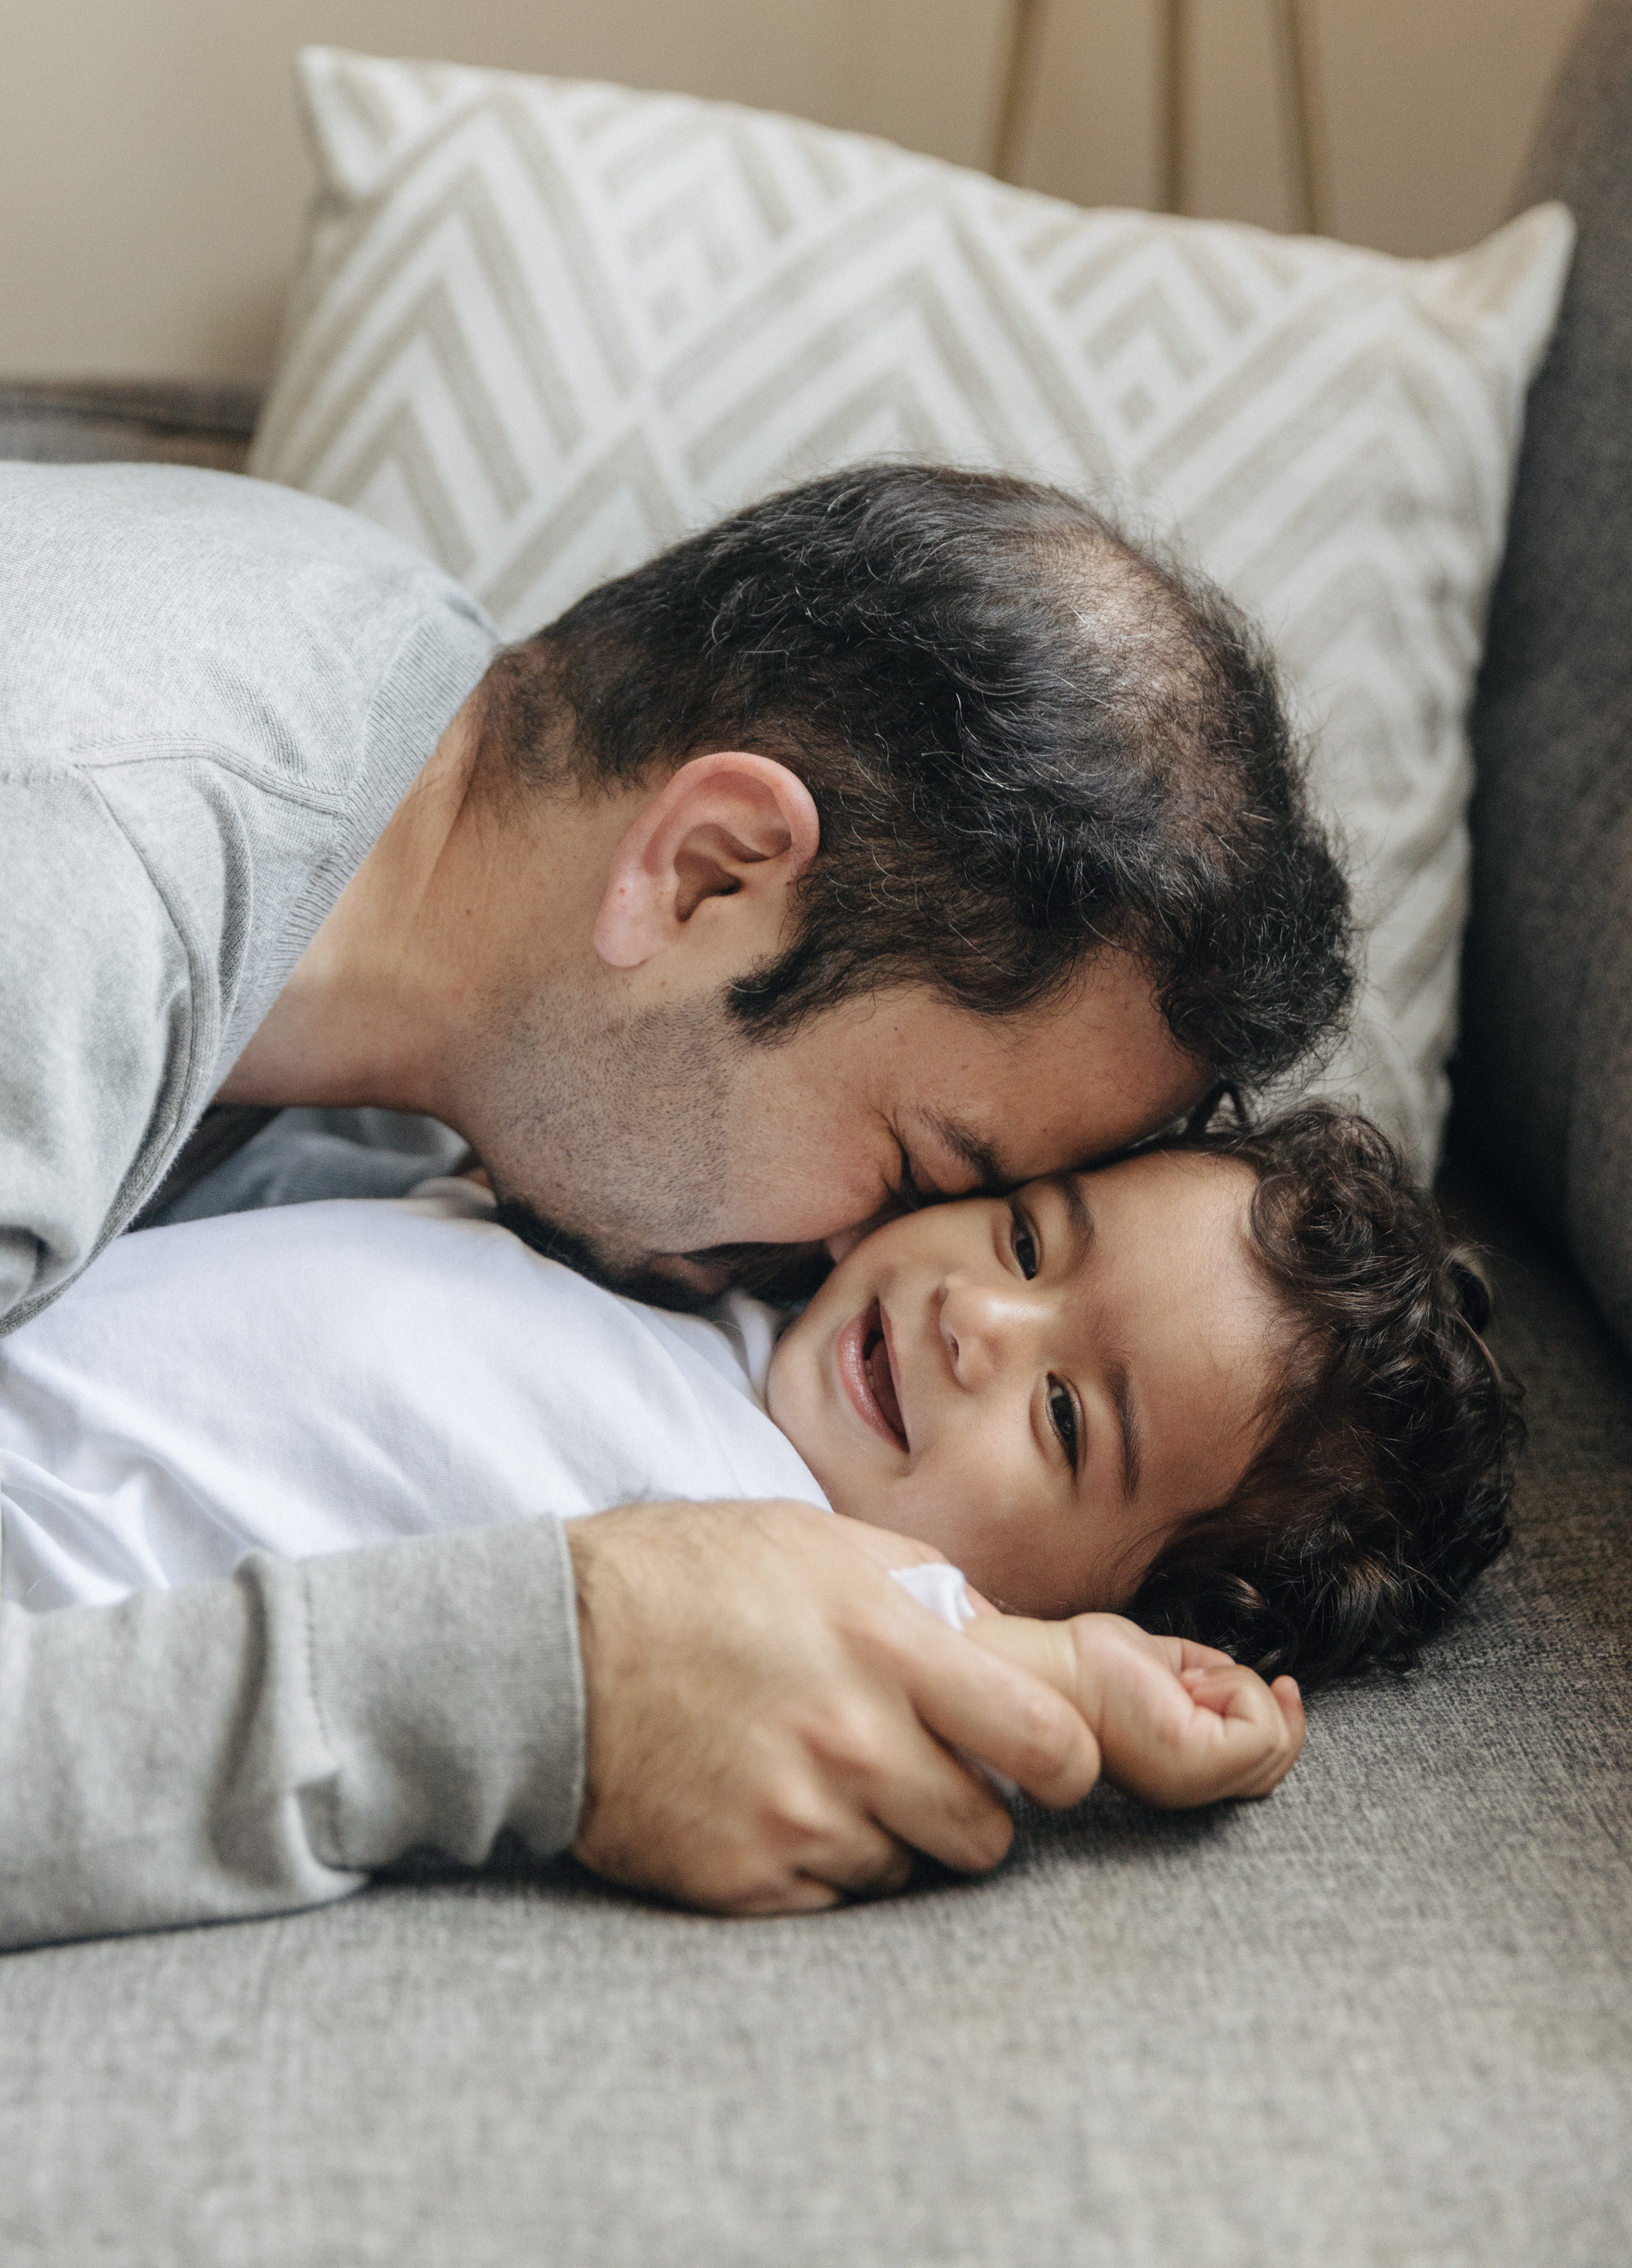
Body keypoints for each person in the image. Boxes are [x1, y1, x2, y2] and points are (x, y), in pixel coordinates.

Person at [0, 456, 1352, 1945]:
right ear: (709, 873)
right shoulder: (64, 898)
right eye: (927, 1175)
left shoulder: (382, 679)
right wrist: (558, 1681)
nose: (886, 1267)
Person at [2, 1101, 1513, 1849]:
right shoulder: (716, 1263)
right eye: (1028, 1237)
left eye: (1065, 1418)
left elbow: (976, 1687)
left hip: (68, 1603)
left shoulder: (835, 1581)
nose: (977, 1321)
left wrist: (1104, 1690)